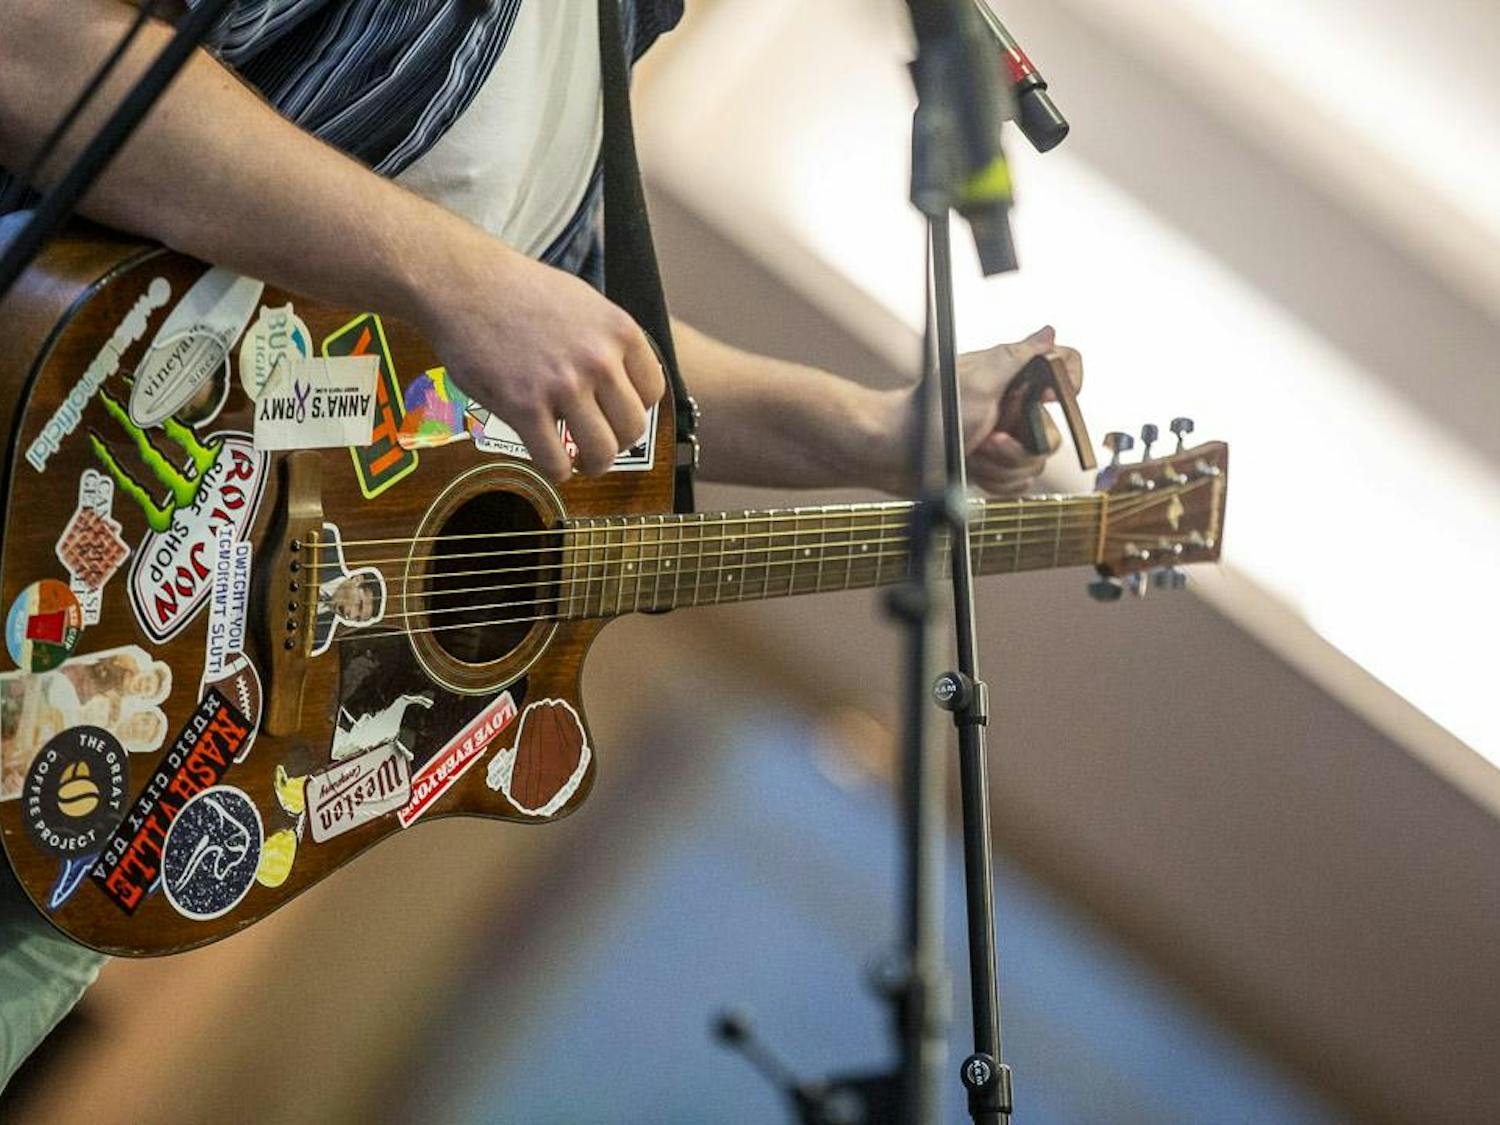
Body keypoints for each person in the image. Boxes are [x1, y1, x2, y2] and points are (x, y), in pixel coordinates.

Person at [0, 0, 1086, 1089]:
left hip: (121, 757)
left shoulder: (610, 33)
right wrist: (452, 274)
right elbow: (36, 44)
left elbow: (577, 342)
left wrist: (881, 430)